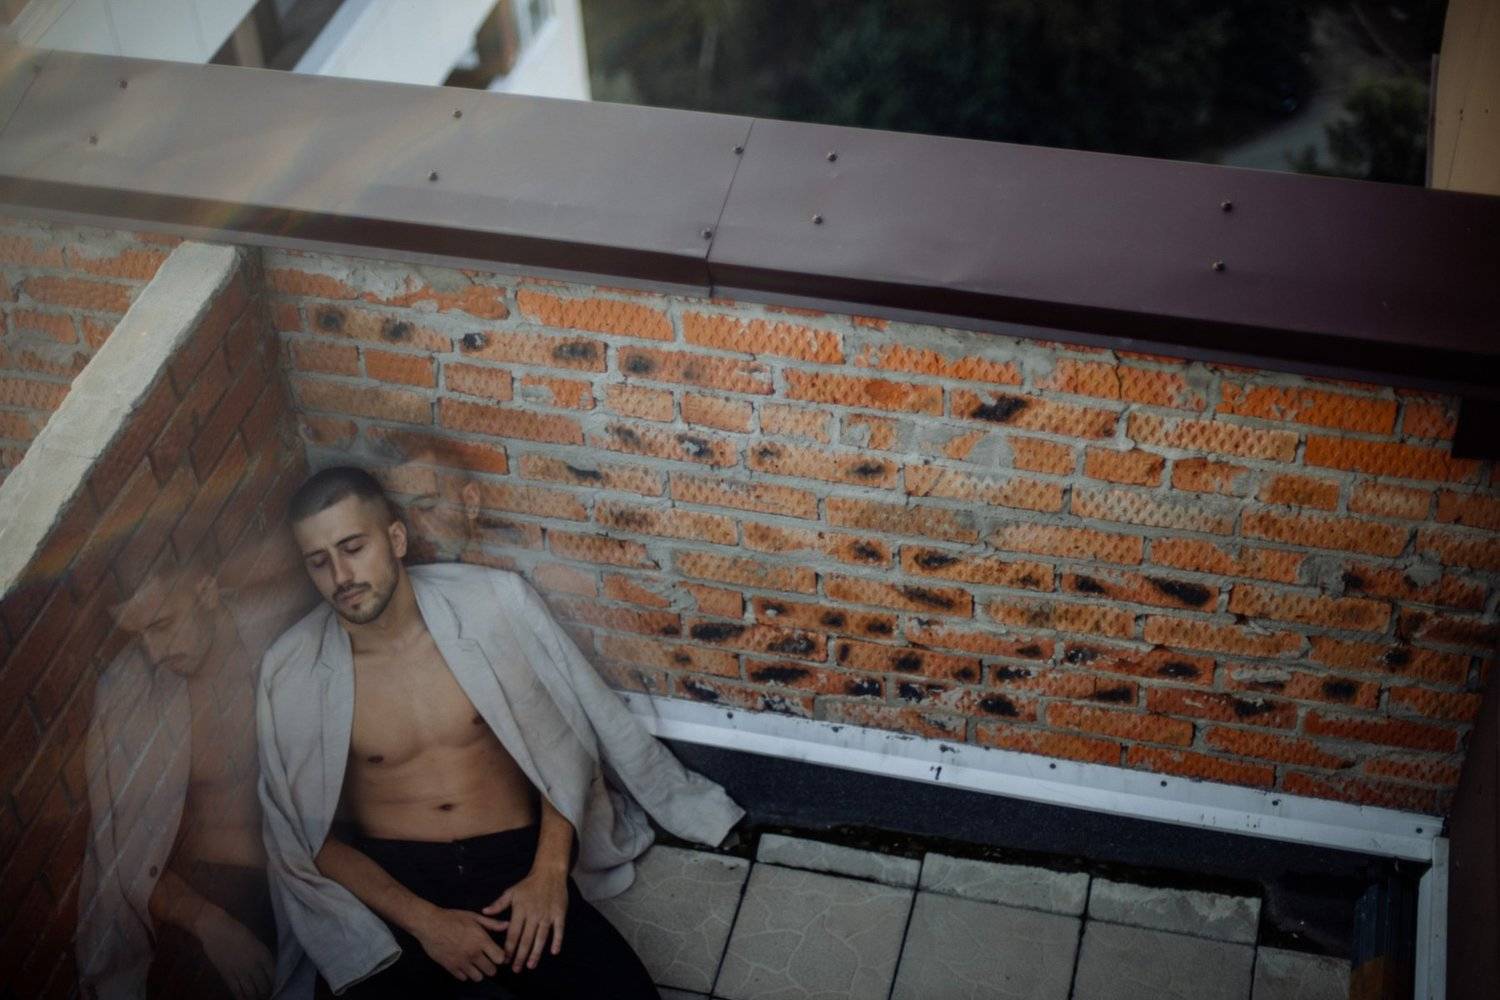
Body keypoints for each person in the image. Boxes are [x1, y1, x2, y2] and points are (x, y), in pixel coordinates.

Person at [256, 467, 744, 999]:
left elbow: (564, 746)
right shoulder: (294, 670)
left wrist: (548, 875)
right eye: (318, 561)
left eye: (353, 548)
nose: (341, 576)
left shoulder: (491, 607)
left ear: (395, 539)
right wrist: (426, 923)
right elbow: (308, 838)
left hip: (512, 862)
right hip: (398, 885)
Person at [78, 551, 305, 1000]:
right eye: (138, 635)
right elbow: (125, 857)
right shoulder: (128, 697)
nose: (153, 652)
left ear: (206, 590)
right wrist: (210, 923)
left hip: (317, 862)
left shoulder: (281, 631)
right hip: (213, 890)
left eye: (162, 625)